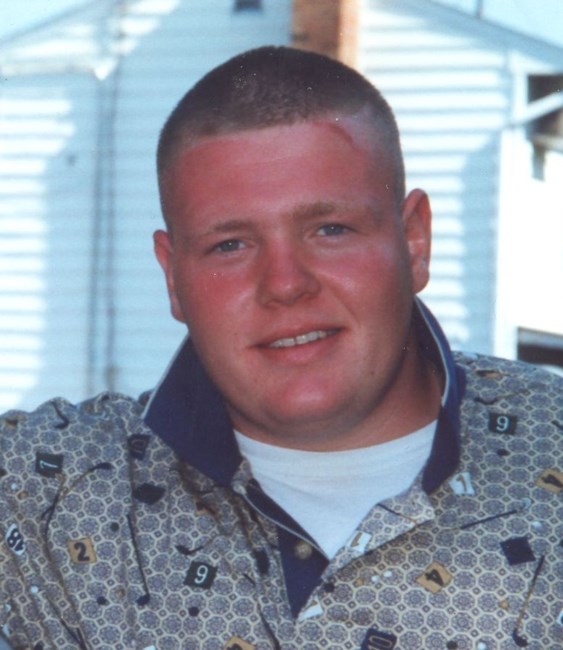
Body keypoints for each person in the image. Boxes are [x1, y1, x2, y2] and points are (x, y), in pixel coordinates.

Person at [0, 46, 561, 650]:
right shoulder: (47, 491)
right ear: (173, 276)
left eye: (330, 230)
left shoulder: (549, 447)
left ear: (414, 241)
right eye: (230, 245)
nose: (286, 284)